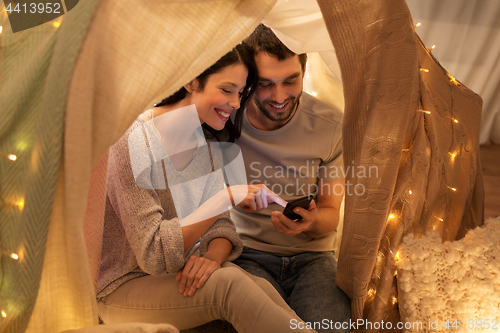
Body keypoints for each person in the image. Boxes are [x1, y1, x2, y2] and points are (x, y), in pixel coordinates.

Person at [96, 44, 316, 333]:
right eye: (227, 90)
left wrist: (212, 258)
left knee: (256, 284)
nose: (236, 103)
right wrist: (226, 196)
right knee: (229, 286)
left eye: (240, 92)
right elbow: (153, 252)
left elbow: (221, 228)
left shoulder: (205, 145)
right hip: (122, 287)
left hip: (173, 275)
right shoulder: (133, 141)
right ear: (192, 80)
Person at [231, 25, 351, 332]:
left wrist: (311, 222)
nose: (280, 96)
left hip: (314, 257)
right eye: (265, 84)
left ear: (304, 71)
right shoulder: (227, 118)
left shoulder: (330, 126)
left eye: (290, 81)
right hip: (246, 254)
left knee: (332, 326)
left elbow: (329, 214)